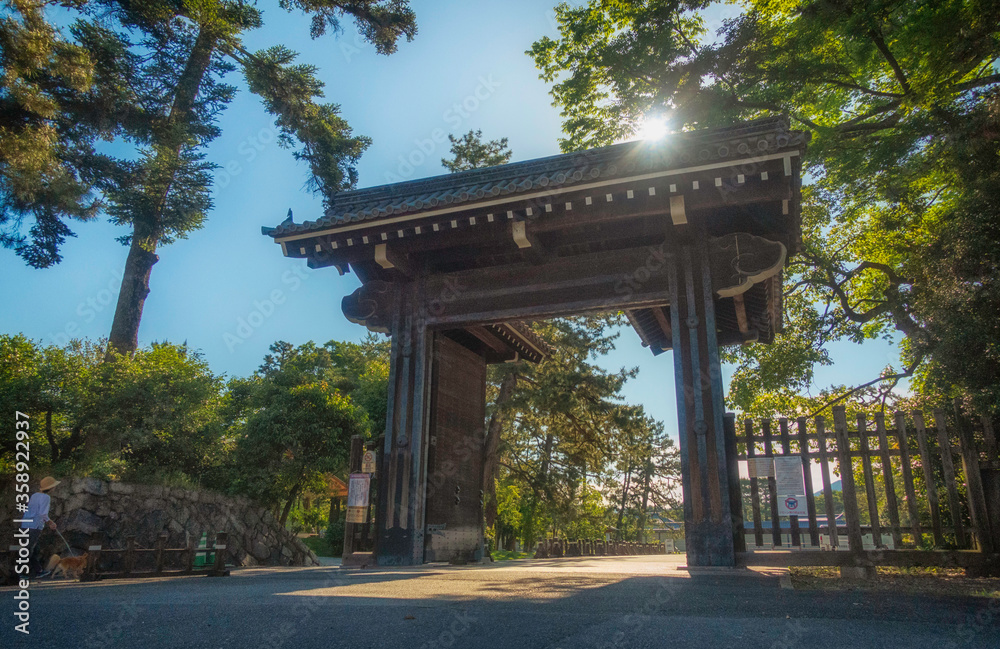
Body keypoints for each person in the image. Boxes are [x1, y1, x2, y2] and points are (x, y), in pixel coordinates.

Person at [21, 476, 59, 578]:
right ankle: (21, 572)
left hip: (25, 524)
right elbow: (43, 513)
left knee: (32, 549)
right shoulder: (46, 497)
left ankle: (38, 570)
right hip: (34, 526)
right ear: (51, 488)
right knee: (29, 549)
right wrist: (51, 523)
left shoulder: (35, 495)